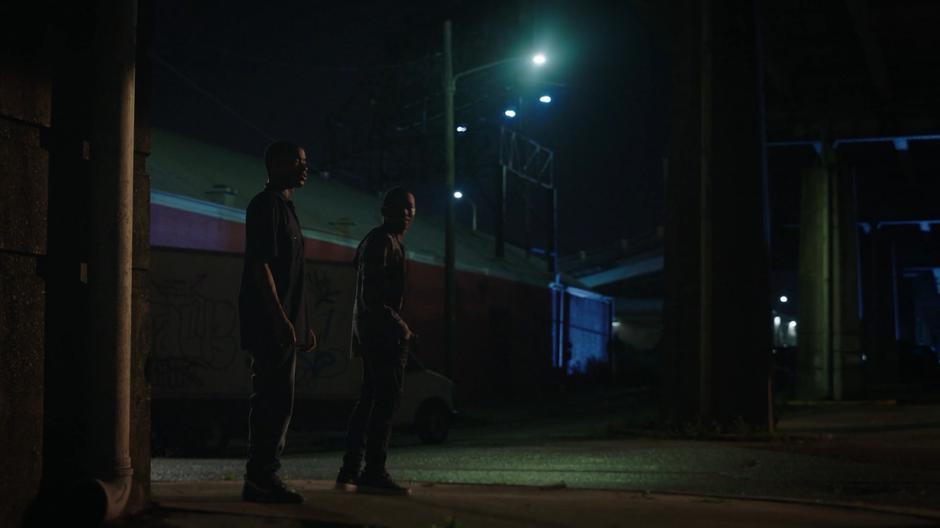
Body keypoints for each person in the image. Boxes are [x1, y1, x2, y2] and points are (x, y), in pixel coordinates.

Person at [239, 140, 317, 503]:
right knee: (272, 401)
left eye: (306, 161)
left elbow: (291, 276)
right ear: (275, 164)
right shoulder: (266, 206)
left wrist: (302, 324)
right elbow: (261, 266)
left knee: (278, 401)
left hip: (285, 326)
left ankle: (263, 477)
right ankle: (261, 479)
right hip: (272, 326)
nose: (305, 167)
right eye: (298, 161)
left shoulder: (287, 209)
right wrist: (282, 319)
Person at [336, 187, 416, 496]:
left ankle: (352, 471)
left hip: (376, 333)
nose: (408, 214)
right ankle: (372, 471)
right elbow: (372, 296)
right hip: (381, 335)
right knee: (384, 403)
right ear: (386, 210)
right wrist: (401, 326)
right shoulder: (382, 242)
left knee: (370, 401)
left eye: (411, 208)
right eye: (402, 208)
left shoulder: (385, 241)